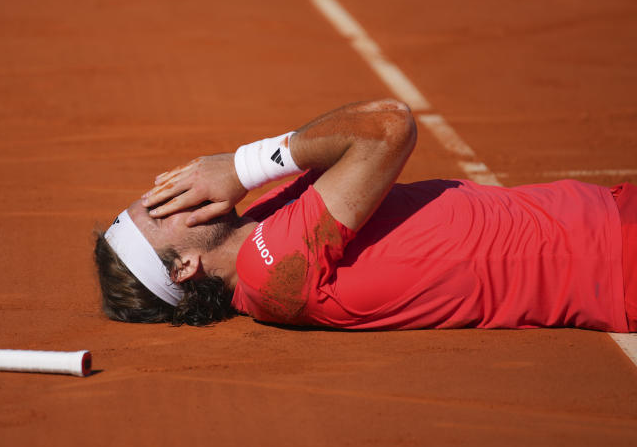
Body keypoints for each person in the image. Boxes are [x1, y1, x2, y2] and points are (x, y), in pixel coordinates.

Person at [93, 99, 637, 331]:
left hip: (604, 219)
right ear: (185, 267)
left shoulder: (259, 226)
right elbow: (387, 126)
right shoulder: (273, 270)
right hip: (613, 259)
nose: (169, 192)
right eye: (159, 211)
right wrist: (243, 165)